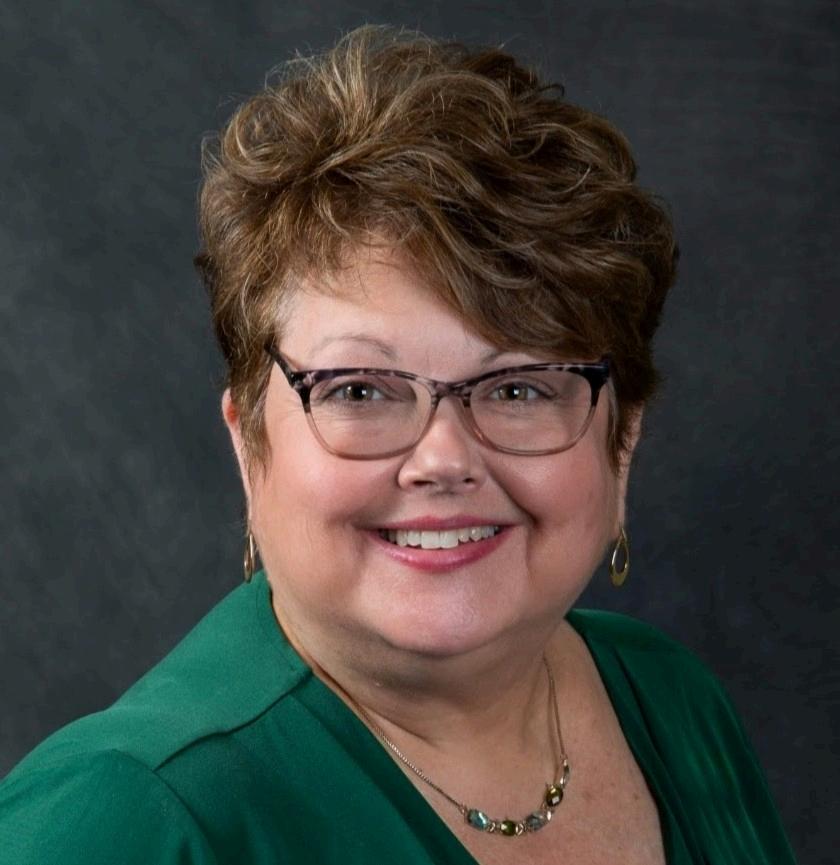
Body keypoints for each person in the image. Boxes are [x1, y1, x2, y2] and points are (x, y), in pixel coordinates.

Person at [0, 25, 796, 865]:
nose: (443, 459)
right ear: (251, 444)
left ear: (620, 443)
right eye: (359, 390)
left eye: (519, 389)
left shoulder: (670, 701)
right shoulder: (122, 818)